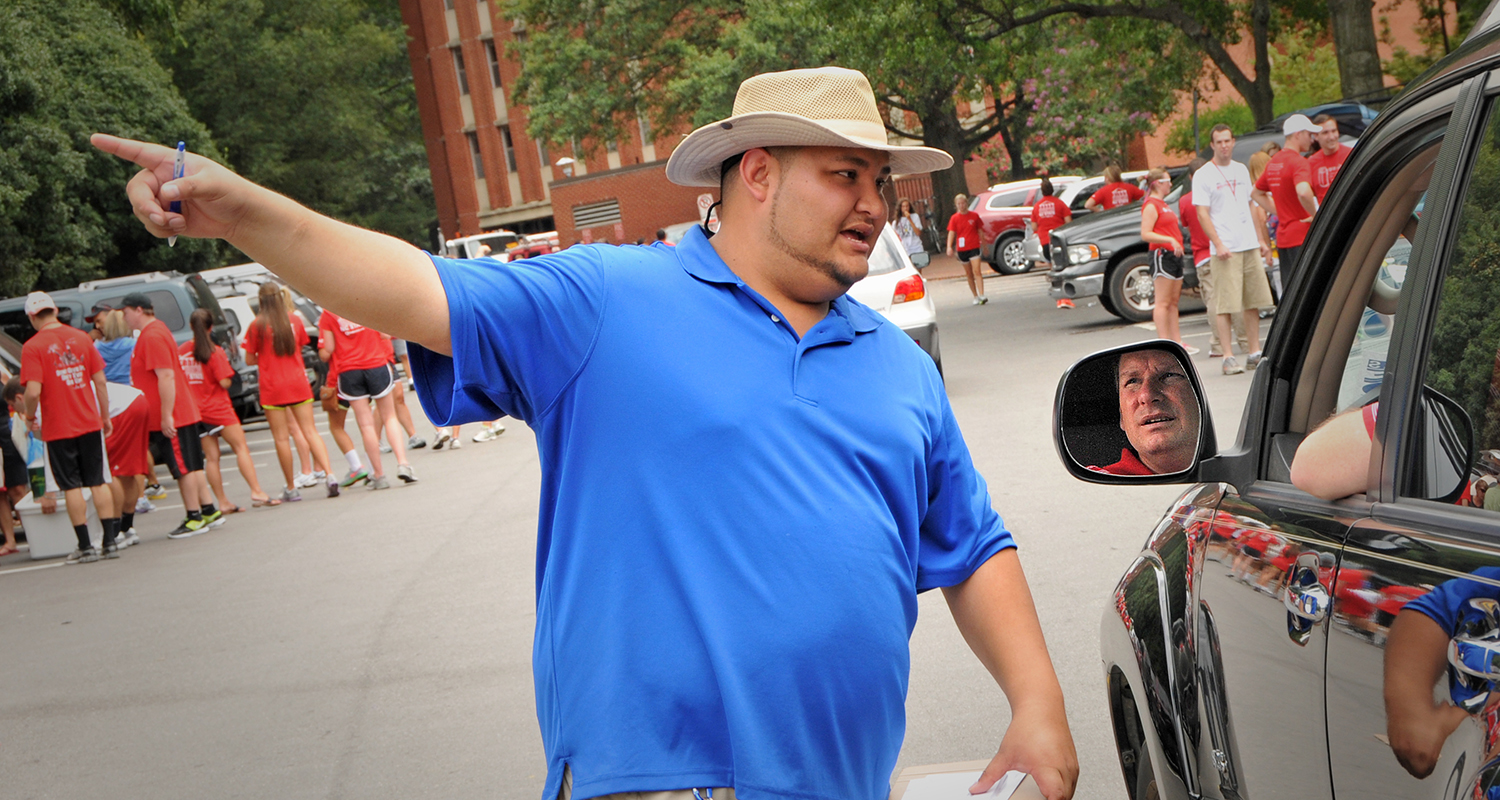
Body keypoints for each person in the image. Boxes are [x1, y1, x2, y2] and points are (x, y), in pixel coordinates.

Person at [96, 65, 1079, 800]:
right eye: (845, 173)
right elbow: (410, 286)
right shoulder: (606, 299)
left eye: (882, 178)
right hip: (656, 784)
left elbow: (971, 544)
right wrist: (248, 213)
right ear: (759, 175)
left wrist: (1036, 703)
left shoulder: (897, 366)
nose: (876, 201)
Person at [18, 291, 120, 562]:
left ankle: (85, 546)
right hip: (89, 420)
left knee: (71, 486)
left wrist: (30, 416)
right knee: (98, 481)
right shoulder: (81, 338)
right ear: (54, 310)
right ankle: (110, 541)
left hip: (58, 427)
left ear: (31, 317)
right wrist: (105, 415)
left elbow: (32, 392)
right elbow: (99, 381)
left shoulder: (32, 347)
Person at [121, 291, 217, 537]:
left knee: (182, 468)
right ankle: (207, 509)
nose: (124, 316)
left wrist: (166, 415)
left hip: (173, 413)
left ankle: (194, 516)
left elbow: (165, 376)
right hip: (180, 411)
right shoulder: (155, 331)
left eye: (126, 311)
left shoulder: (152, 335)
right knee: (191, 464)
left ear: (138, 310)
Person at [1193, 124, 1276, 376]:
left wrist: (1261, 240)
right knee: (1226, 304)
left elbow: (1252, 206)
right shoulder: (1204, 174)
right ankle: (1228, 356)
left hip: (1248, 244)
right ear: (1212, 145)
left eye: (1228, 141)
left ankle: (1253, 351)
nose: (1224, 146)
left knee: (1253, 301)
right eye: (1219, 142)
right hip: (1225, 248)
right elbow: (1202, 213)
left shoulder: (1241, 170)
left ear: (1233, 141)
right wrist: (1218, 243)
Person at [244, 282, 338, 500]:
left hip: (272, 386)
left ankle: (291, 487)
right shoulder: (294, 320)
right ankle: (330, 474)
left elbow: (249, 358)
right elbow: (301, 345)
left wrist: (266, 358)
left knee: (281, 438)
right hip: (298, 382)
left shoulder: (256, 325)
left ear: (260, 301)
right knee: (310, 431)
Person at [180, 309, 277, 509]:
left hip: (197, 411)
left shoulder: (182, 351)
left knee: (212, 458)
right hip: (218, 408)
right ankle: (256, 490)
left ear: (191, 326)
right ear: (211, 327)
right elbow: (224, 382)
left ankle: (222, 502)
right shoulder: (215, 352)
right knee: (241, 448)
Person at [318, 308, 417, 490]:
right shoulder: (361, 301)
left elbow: (329, 349)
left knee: (366, 425)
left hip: (349, 370)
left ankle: (379, 475)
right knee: (390, 417)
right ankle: (403, 463)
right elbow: (386, 335)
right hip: (376, 363)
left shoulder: (328, 312)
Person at [1091, 349, 1201, 475]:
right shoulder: (1103, 481)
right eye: (1132, 381)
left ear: (1201, 400)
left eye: (1169, 376)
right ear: (1122, 416)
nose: (1147, 395)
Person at [1253, 114, 1320, 289]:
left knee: (1291, 291)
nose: (1312, 140)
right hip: (1302, 237)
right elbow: (1304, 192)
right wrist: (1316, 214)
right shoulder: (1298, 162)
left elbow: (1256, 193)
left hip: (1283, 239)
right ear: (1298, 134)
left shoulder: (1274, 162)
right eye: (1309, 134)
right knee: (1308, 289)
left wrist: (1280, 211)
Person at [1140, 168, 1191, 352]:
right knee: (1162, 301)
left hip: (1175, 255)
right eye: (1168, 180)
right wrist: (1169, 240)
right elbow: (1146, 233)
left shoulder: (1163, 204)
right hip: (1162, 254)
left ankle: (1177, 341)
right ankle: (1163, 342)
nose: (1170, 184)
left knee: (1173, 301)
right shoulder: (1151, 205)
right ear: (1158, 183)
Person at [1031, 178, 1074, 308]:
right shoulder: (1060, 204)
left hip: (1045, 241)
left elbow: (1034, 227)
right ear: (1052, 190)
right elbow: (1069, 222)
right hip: (1058, 240)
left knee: (1053, 268)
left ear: (1042, 191)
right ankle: (1065, 297)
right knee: (1063, 268)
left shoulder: (1037, 207)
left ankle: (1058, 297)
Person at [946, 192, 989, 305]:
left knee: (977, 271)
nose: (961, 205)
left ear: (966, 203)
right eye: (959, 204)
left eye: (963, 203)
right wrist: (949, 246)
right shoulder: (954, 218)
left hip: (974, 246)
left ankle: (982, 294)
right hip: (962, 249)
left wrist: (984, 246)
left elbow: (980, 231)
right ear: (956, 205)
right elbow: (951, 232)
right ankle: (975, 295)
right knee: (969, 274)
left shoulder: (974, 216)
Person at [1307, 113, 1352, 204]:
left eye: (1334, 131)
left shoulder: (1351, 155)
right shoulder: (1311, 163)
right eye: (1325, 133)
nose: (1331, 137)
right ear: (1316, 136)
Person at [90, 306, 134, 384]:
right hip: (131, 390)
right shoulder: (134, 345)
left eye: (99, 321)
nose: (97, 326)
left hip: (108, 390)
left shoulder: (96, 347)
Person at [893, 198, 925, 262]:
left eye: (907, 206)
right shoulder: (896, 222)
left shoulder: (915, 217)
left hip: (916, 246)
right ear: (900, 208)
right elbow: (895, 237)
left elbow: (918, 233)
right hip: (905, 248)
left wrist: (909, 219)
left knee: (918, 266)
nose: (905, 208)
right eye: (903, 206)